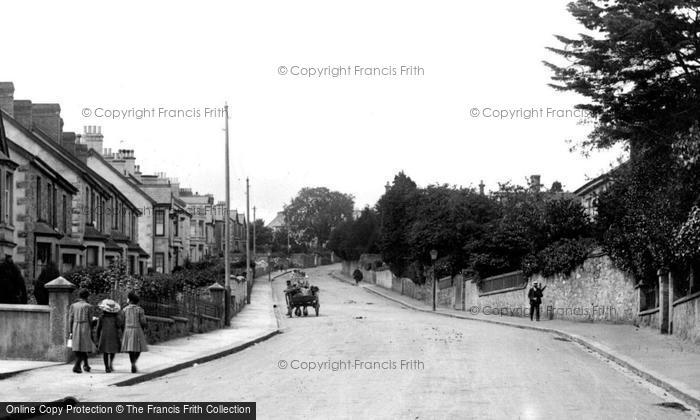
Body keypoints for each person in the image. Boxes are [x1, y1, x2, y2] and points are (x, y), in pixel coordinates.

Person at [68, 289, 95, 373]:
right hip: (85, 326)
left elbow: (70, 319)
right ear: (87, 296)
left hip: (75, 326)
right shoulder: (88, 306)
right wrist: (91, 328)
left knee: (77, 347)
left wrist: (70, 330)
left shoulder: (73, 305)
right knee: (84, 347)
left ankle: (85, 365)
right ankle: (77, 365)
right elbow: (90, 319)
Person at [121, 292, 148, 373]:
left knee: (130, 349)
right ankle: (134, 362)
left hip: (127, 329)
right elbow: (143, 322)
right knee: (139, 348)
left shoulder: (124, 310)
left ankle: (132, 362)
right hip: (137, 329)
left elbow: (122, 321)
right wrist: (144, 328)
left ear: (130, 300)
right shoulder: (140, 310)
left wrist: (123, 330)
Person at [96, 299, 122, 373]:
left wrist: (97, 339)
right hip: (113, 335)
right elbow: (119, 325)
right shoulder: (116, 317)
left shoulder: (101, 317)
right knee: (112, 351)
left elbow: (98, 328)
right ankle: (110, 364)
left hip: (104, 336)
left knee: (105, 352)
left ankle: (107, 367)